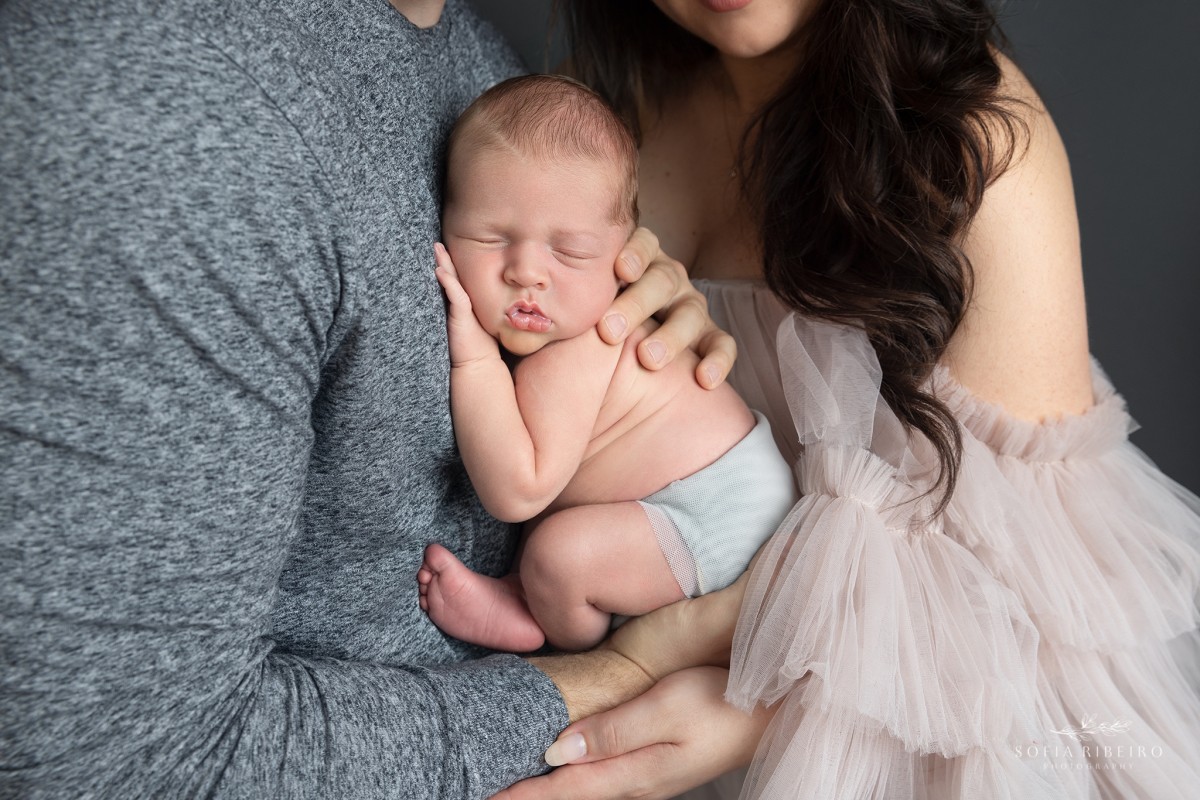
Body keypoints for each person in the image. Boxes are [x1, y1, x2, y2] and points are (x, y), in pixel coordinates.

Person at [0, 1, 750, 797]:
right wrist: (618, 678)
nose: (528, 271)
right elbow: (119, 762)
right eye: (494, 240)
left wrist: (630, 300)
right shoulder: (166, 106)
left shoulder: (481, 66)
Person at [496, 0, 1200, 798]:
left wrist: (737, 700)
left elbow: (1029, 579)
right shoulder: (593, 122)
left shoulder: (970, 139)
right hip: (644, 662)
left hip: (945, 725)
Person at [416, 75, 796, 653]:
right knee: (569, 540)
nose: (527, 272)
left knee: (558, 556)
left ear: (626, 258)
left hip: (718, 505)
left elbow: (516, 491)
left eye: (569, 253)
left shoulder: (582, 347)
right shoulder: (561, 321)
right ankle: (529, 596)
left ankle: (556, 626)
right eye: (490, 238)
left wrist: (474, 357)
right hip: (715, 488)